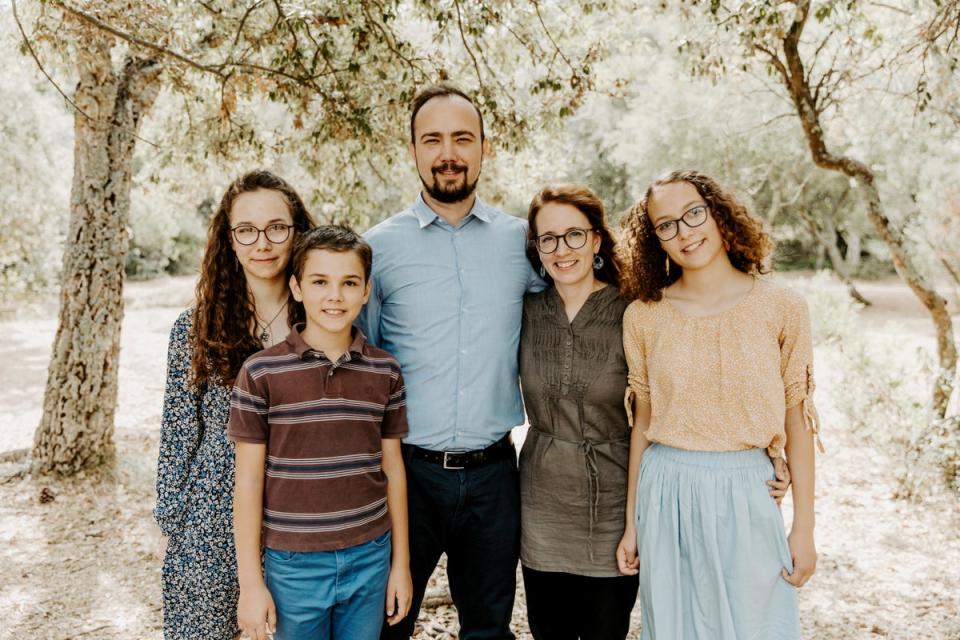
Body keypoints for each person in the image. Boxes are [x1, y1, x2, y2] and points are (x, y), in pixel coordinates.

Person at [357, 84, 542, 640]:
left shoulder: (523, 244)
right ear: (412, 150)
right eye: (432, 139)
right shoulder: (377, 249)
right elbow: (360, 356)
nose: (448, 153)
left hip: (493, 474)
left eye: (462, 138)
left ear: (485, 147)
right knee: (387, 624)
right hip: (404, 473)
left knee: (488, 628)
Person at [616, 170, 822, 639]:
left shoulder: (783, 307)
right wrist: (632, 525)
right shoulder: (644, 316)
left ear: (717, 213)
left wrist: (804, 528)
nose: (685, 232)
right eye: (666, 225)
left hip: (749, 490)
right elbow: (642, 426)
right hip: (666, 492)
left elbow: (798, 418)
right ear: (656, 240)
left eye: (693, 214)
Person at [229, 225, 412, 640]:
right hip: (293, 565)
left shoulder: (385, 371)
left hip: (370, 556)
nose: (335, 296)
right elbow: (248, 481)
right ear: (296, 287)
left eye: (349, 283)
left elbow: (393, 470)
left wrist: (400, 564)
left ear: (366, 290)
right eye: (319, 282)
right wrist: (251, 585)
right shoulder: (261, 372)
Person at [154, 170, 315, 639]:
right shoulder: (195, 327)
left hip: (298, 519)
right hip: (209, 519)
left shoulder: (323, 319)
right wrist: (171, 523)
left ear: (297, 231)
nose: (261, 243)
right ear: (229, 238)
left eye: (276, 228)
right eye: (246, 230)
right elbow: (180, 431)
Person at [517, 184, 638, 640]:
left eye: (573, 235)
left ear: (596, 240)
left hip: (612, 507)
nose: (560, 249)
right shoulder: (526, 311)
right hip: (540, 508)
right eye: (548, 238)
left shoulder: (634, 312)